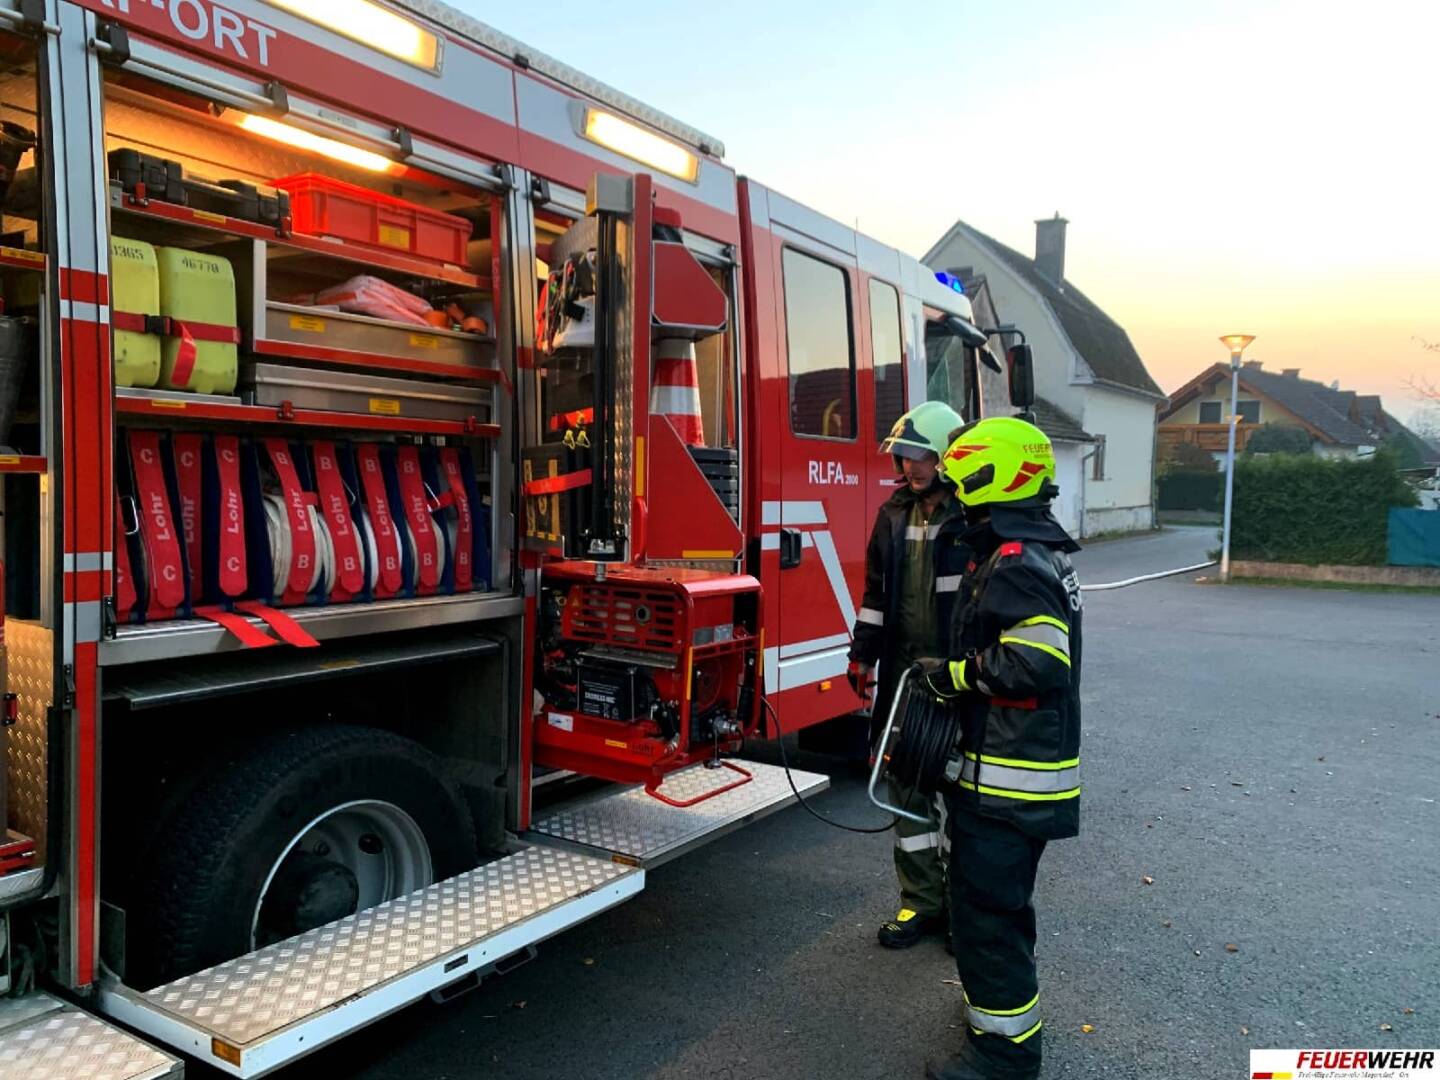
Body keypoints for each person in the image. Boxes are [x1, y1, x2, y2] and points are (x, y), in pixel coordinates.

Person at [919, 416, 1084, 1080]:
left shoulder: (1014, 562)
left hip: (1009, 784)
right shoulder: (1030, 551)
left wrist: (953, 674)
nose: (955, 496)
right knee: (1002, 911)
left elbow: (1040, 661)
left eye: (962, 483)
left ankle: (1004, 1057)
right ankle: (1003, 1022)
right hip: (1021, 779)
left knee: (986, 916)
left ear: (993, 478)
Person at [847, 399, 968, 949]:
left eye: (918, 455)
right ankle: (922, 904)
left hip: (959, 680)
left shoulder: (972, 516)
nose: (908, 466)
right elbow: (876, 596)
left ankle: (966, 910)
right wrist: (862, 656)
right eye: (902, 456)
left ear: (945, 454)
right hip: (904, 679)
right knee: (906, 791)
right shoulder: (893, 513)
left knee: (964, 796)